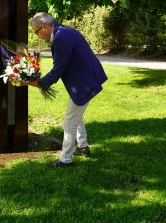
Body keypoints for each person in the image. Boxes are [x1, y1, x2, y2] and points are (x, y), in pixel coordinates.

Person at [29, 12, 108, 167]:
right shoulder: (64, 31)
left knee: (70, 119)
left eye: (36, 32)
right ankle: (83, 147)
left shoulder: (60, 37)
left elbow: (58, 69)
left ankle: (66, 159)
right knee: (74, 113)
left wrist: (40, 83)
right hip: (86, 78)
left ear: (44, 27)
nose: (37, 35)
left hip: (85, 81)